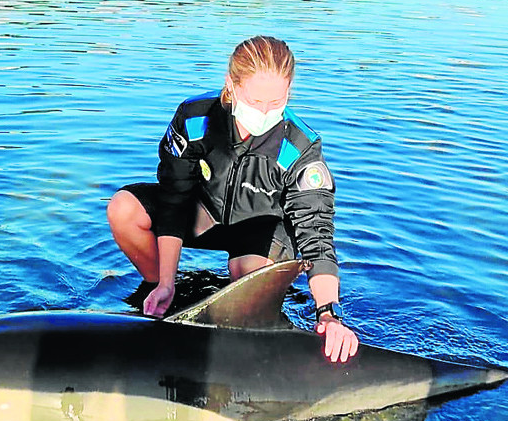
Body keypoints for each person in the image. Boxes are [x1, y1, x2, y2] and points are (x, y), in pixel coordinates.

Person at [106, 36, 358, 363]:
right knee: (123, 208)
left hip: (261, 227)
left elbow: (316, 236)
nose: (265, 113)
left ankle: (255, 309)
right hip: (202, 215)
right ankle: (162, 288)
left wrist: (328, 314)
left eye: (276, 103)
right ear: (232, 86)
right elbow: (174, 200)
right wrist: (168, 282)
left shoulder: (300, 146)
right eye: (255, 102)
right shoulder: (195, 119)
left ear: (289, 94)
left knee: (245, 281)